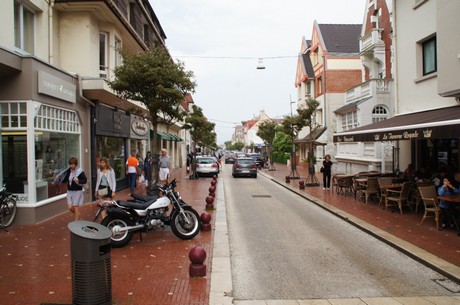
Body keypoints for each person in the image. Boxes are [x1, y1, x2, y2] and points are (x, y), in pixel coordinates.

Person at [58, 157, 87, 221]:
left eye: (72, 164)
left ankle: (76, 222)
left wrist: (78, 180)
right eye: (70, 164)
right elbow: (65, 179)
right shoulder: (69, 171)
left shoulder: (80, 171)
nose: (71, 166)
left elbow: (85, 180)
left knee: (76, 207)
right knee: (70, 207)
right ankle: (78, 215)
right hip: (69, 190)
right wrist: (60, 178)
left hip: (77, 190)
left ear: (75, 164)